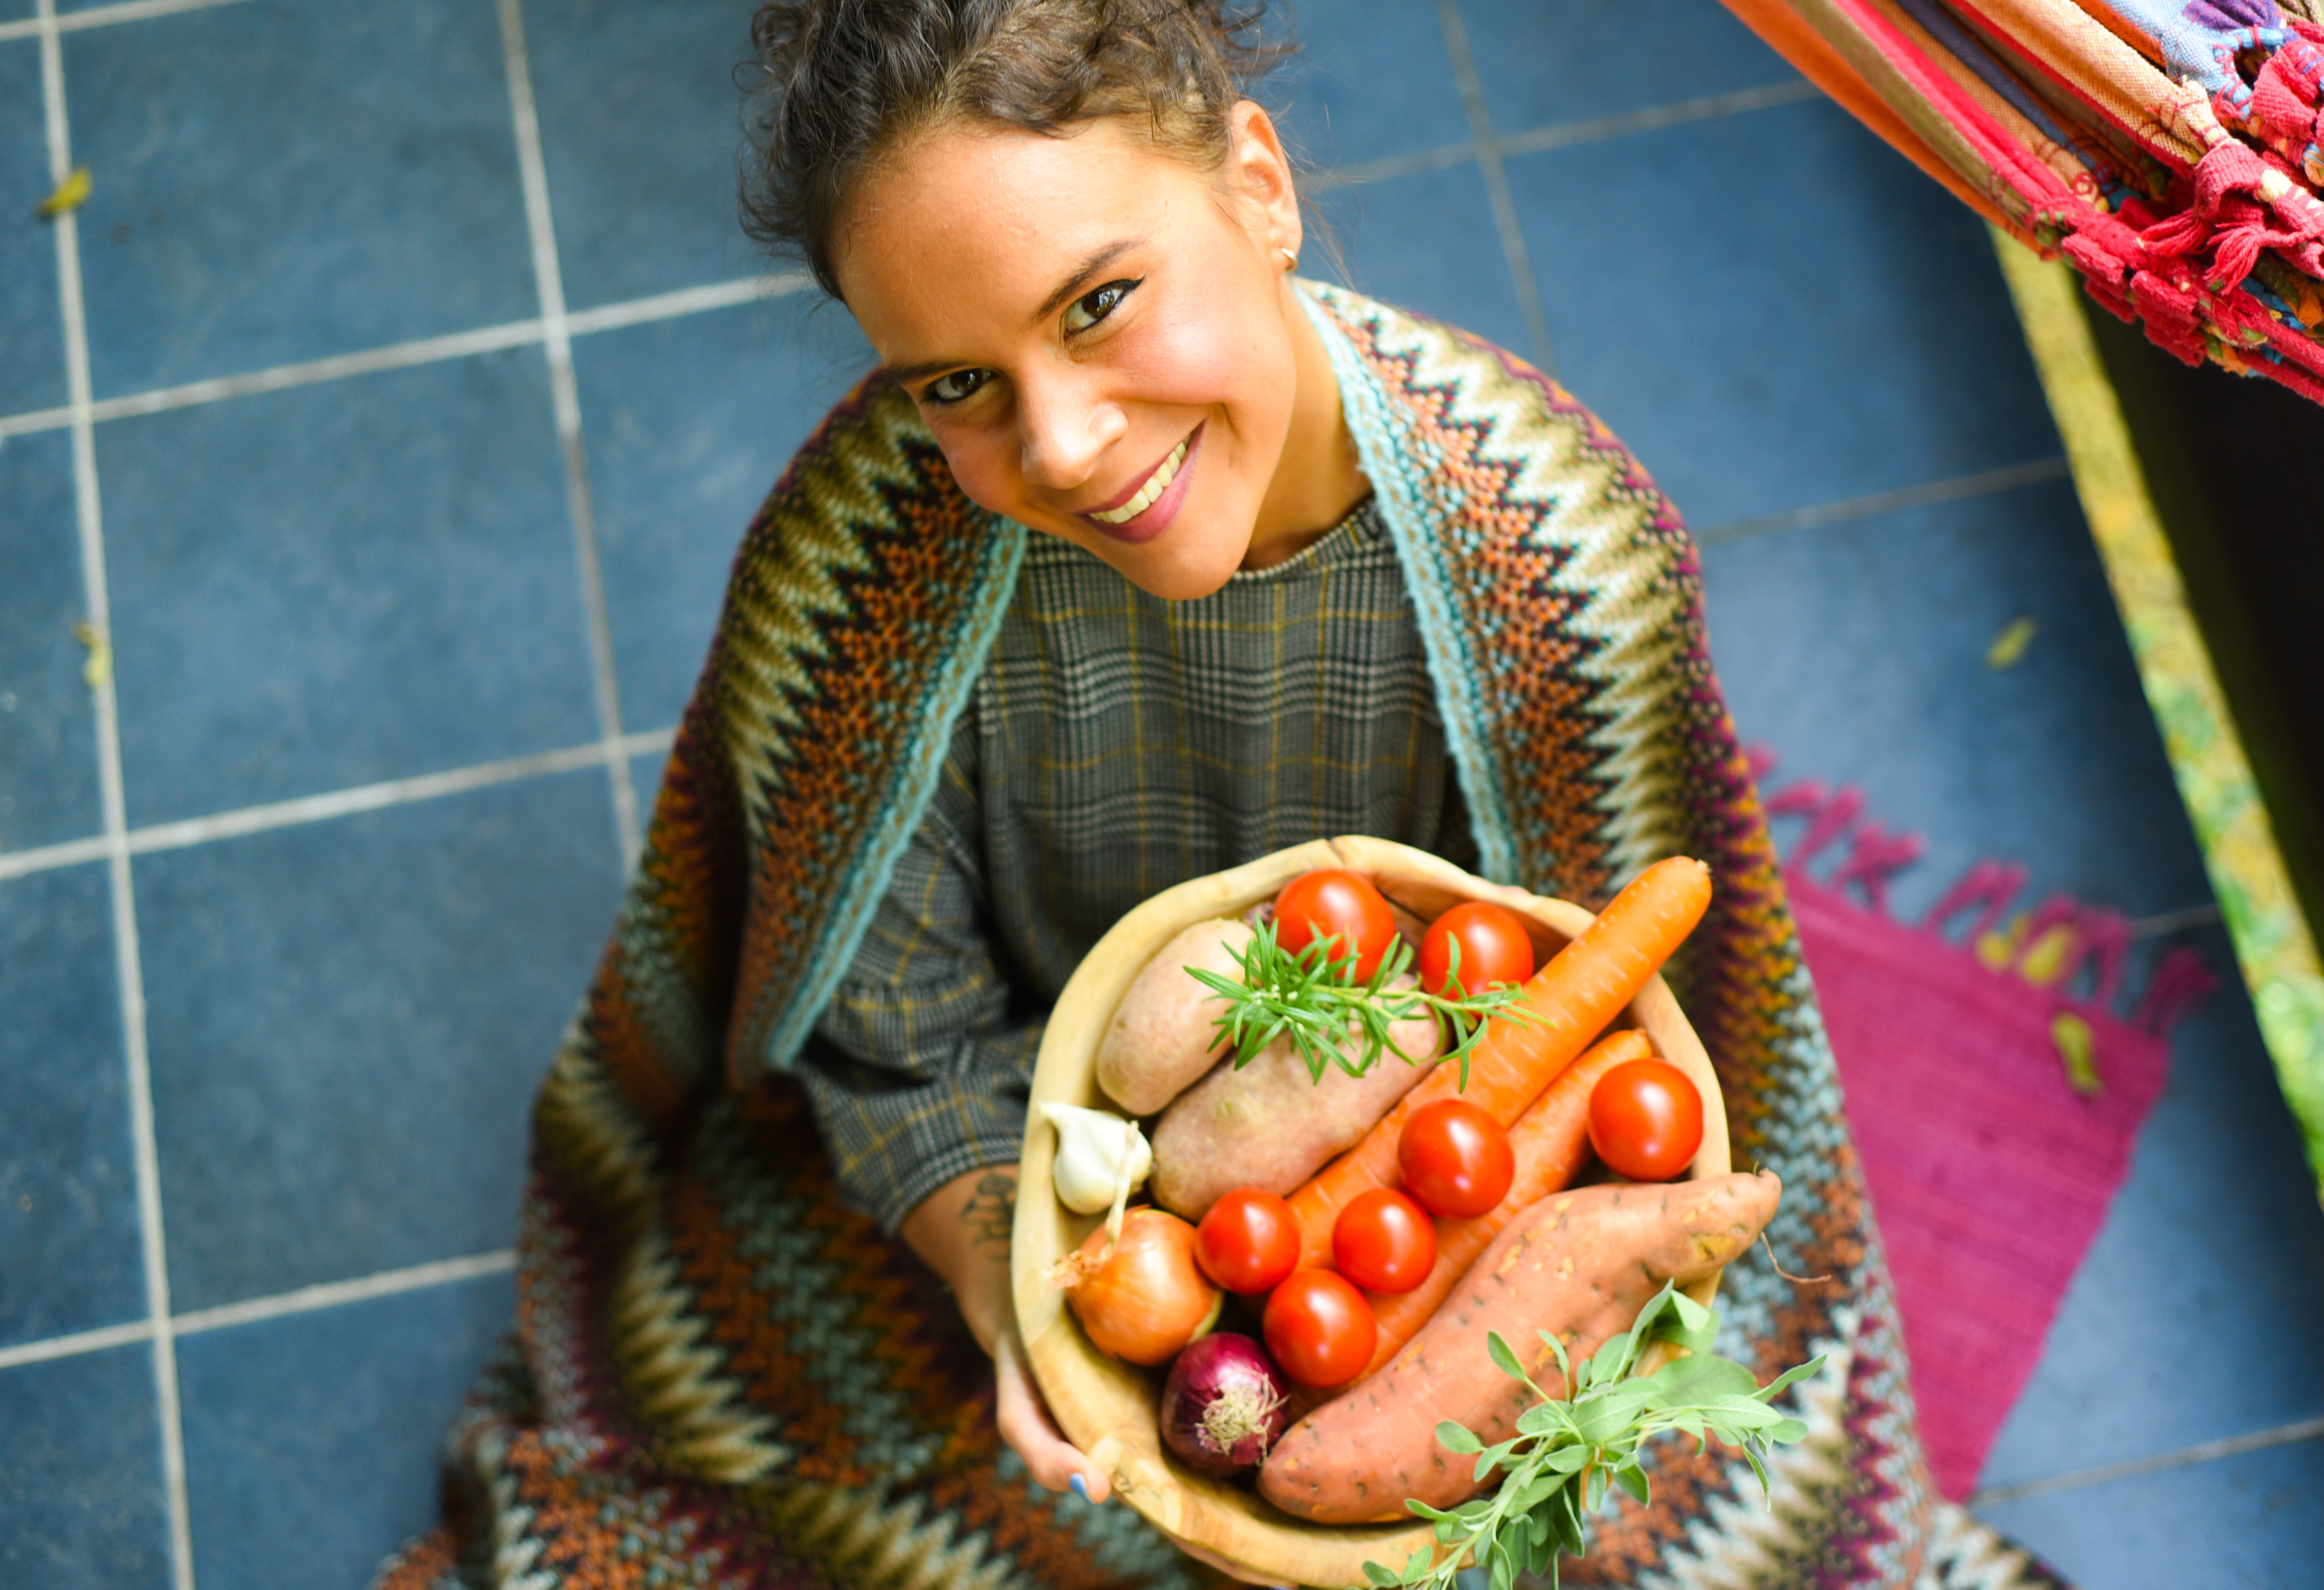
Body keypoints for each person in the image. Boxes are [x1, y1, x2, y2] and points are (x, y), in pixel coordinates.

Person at [376, 3, 2070, 1586]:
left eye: (1098, 302)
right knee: (743, 1427)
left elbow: (1635, 1027)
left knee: (1694, 1504)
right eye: (955, 383)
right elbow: (881, 1016)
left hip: (1463, 1184)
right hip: (1060, 1144)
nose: (1063, 445)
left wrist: (1445, 1332)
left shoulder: (1559, 558)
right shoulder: (866, 562)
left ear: (1258, 188)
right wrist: (1019, 1287)